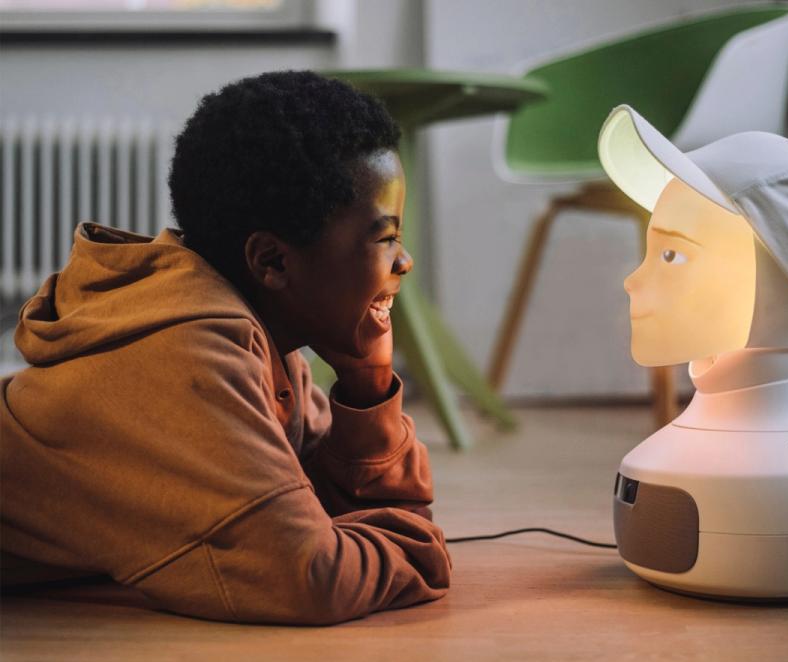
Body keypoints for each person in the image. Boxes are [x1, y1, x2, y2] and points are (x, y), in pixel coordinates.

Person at [0, 70, 451, 625]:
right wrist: (418, 549)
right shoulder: (192, 351)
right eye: (385, 237)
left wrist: (367, 385)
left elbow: (335, 510)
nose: (403, 261)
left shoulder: (268, 337)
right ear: (273, 262)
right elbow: (310, 577)